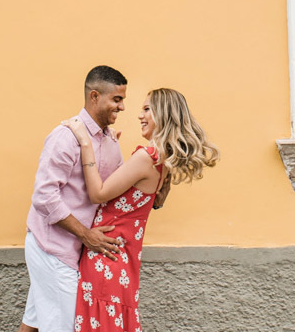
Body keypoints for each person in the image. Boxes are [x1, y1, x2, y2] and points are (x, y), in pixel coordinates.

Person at [62, 88, 219, 332]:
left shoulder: (147, 156)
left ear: (163, 115)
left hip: (106, 257)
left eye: (147, 109)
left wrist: (85, 143)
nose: (140, 115)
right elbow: (151, 201)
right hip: (123, 263)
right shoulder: (162, 161)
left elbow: (98, 194)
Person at [19, 66, 129, 332]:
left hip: (75, 252)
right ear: (94, 96)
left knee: (32, 324)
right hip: (53, 249)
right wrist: (85, 235)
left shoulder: (111, 142)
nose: (123, 107)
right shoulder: (65, 137)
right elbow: (44, 197)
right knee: (67, 327)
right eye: (117, 99)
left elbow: (115, 191)